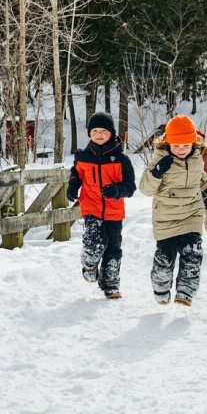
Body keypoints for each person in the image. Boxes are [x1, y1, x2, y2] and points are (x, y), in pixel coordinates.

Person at [139, 115, 207, 306]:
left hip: (192, 213)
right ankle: (161, 286)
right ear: (167, 143)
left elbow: (200, 175)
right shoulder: (160, 159)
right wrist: (156, 173)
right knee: (165, 258)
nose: (181, 149)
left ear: (193, 142)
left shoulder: (196, 157)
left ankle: (185, 290)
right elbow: (145, 189)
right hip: (166, 217)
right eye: (176, 145)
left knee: (193, 252)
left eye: (186, 145)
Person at [67, 111, 136, 300]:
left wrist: (117, 190)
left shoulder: (121, 159)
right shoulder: (83, 156)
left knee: (113, 248)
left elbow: (130, 186)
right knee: (95, 240)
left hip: (114, 211)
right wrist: (72, 187)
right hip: (91, 207)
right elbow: (76, 174)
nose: (99, 134)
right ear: (90, 133)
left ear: (111, 133)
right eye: (95, 131)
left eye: (103, 131)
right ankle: (89, 264)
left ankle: (110, 284)